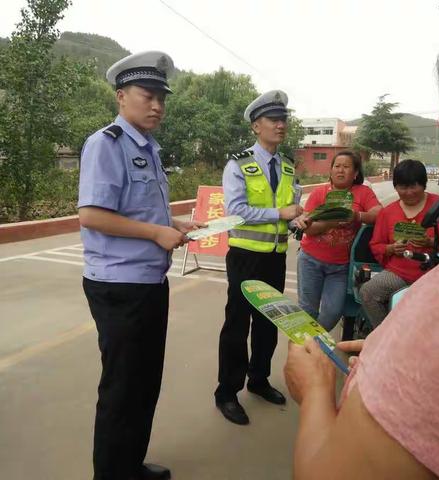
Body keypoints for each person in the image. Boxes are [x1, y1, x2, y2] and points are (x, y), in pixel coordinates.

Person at [283, 22, 439, 480]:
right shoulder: (334, 199)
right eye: (333, 166)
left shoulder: (413, 216)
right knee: (366, 294)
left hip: (419, 276)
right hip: (340, 264)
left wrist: (317, 392)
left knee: (335, 311)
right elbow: (372, 244)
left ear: (355, 174)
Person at [79, 51, 204, 480]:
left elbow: (139, 208)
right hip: (120, 287)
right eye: (147, 95)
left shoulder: (147, 147)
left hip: (148, 281)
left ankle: (129, 464)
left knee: (144, 383)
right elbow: (92, 215)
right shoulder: (106, 144)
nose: (157, 106)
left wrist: (172, 221)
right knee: (121, 388)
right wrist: (155, 234)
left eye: (161, 99)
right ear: (121, 96)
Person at [214, 90, 303, 425]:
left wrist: (298, 220)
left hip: (276, 257)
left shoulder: (288, 166)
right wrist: (280, 211)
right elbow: (236, 211)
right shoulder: (238, 164)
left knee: (269, 322)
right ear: (256, 126)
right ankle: (226, 392)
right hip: (245, 256)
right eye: (273, 120)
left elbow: (290, 211)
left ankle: (259, 379)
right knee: (237, 325)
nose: (281, 125)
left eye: (284, 119)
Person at [359, 159, 439, 329]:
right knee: (368, 292)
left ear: (423, 185)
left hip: (433, 273)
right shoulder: (387, 212)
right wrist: (391, 248)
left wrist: (430, 242)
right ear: (396, 187)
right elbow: (376, 244)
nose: (408, 192)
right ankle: (384, 335)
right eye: (403, 187)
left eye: (413, 186)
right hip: (398, 273)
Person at [293, 150, 381, 331]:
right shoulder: (319, 193)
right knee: (307, 311)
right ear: (331, 170)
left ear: (355, 173)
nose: (340, 170)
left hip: (341, 267)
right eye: (337, 166)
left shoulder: (363, 193)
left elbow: (379, 213)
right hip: (311, 261)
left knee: (333, 311)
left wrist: (357, 216)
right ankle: (305, 351)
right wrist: (331, 222)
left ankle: (313, 342)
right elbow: (308, 228)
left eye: (346, 167)